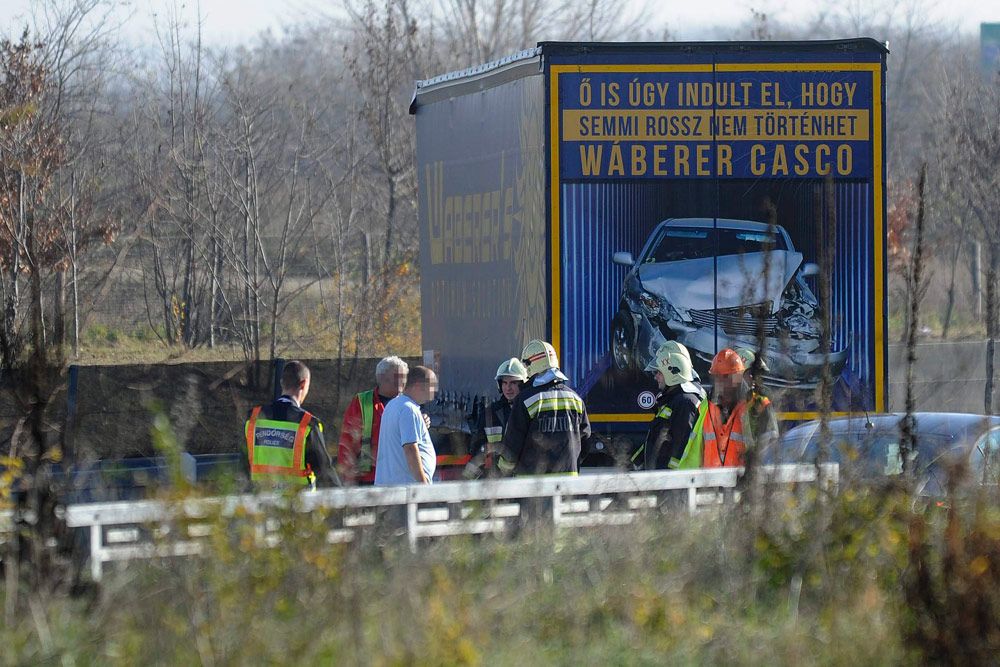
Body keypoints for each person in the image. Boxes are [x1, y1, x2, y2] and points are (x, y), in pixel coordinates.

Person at [497, 340, 591, 476]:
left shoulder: (525, 400)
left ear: (531, 365)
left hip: (533, 487)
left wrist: (503, 470)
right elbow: (585, 441)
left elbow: (513, 443)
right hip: (568, 485)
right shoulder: (576, 399)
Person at [675, 348, 778, 469]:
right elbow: (695, 451)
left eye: (727, 377)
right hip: (710, 484)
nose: (722, 382)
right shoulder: (705, 408)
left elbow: (769, 448)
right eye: (719, 377)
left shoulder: (758, 405)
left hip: (743, 484)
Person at [244, 360, 339, 488]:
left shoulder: (253, 419)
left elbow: (243, 467)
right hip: (298, 503)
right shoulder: (307, 424)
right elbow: (324, 471)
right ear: (304, 384)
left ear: (282, 383)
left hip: (259, 501)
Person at [631, 344, 705, 470]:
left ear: (672, 373)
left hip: (672, 481)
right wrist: (636, 462)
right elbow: (656, 439)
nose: (656, 377)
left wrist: (669, 480)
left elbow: (680, 446)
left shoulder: (684, 402)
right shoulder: (674, 399)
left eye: (659, 372)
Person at [337, 356, 409, 485]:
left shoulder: (408, 404)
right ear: (381, 377)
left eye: (404, 376)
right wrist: (347, 476)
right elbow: (347, 440)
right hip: (369, 478)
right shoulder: (362, 402)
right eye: (397, 376)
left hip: (400, 476)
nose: (402, 380)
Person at [463, 358, 529, 480]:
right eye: (504, 383)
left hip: (523, 479)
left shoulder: (530, 410)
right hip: (496, 480)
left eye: (513, 383)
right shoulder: (490, 413)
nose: (508, 388)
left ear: (523, 384)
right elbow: (477, 449)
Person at [374, 366, 439, 486]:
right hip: (407, 490)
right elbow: (410, 449)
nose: (435, 390)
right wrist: (423, 486)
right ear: (418, 386)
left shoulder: (393, 405)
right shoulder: (409, 409)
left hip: (392, 487)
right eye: (432, 385)